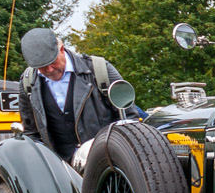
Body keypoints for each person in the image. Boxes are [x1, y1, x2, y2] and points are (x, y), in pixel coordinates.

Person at [15, 27, 129, 163]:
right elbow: (31, 134)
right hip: (62, 173)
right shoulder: (27, 83)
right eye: (42, 66)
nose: (50, 69)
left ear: (61, 49)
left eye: (52, 62)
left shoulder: (99, 70)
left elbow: (128, 117)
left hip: (106, 165)